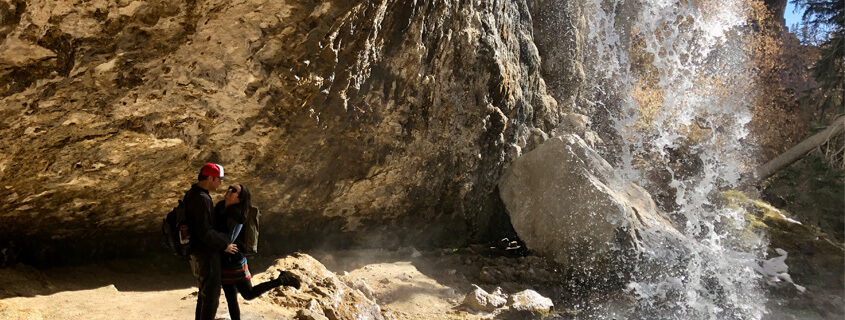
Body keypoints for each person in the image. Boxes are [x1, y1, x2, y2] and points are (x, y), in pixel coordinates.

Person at [215, 184, 300, 320]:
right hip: (222, 257)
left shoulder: (237, 215)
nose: (230, 190)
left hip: (235, 259)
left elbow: (230, 238)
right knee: (230, 297)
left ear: (239, 200)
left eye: (234, 190)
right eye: (230, 187)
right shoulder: (219, 207)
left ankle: (282, 280)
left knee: (248, 294)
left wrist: (211, 235)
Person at [185, 163, 239, 320]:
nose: (221, 183)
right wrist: (225, 245)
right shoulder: (202, 199)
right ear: (210, 178)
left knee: (204, 293)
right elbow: (205, 232)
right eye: (219, 180)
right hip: (205, 254)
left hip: (195, 251)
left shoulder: (192, 193)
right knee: (211, 296)